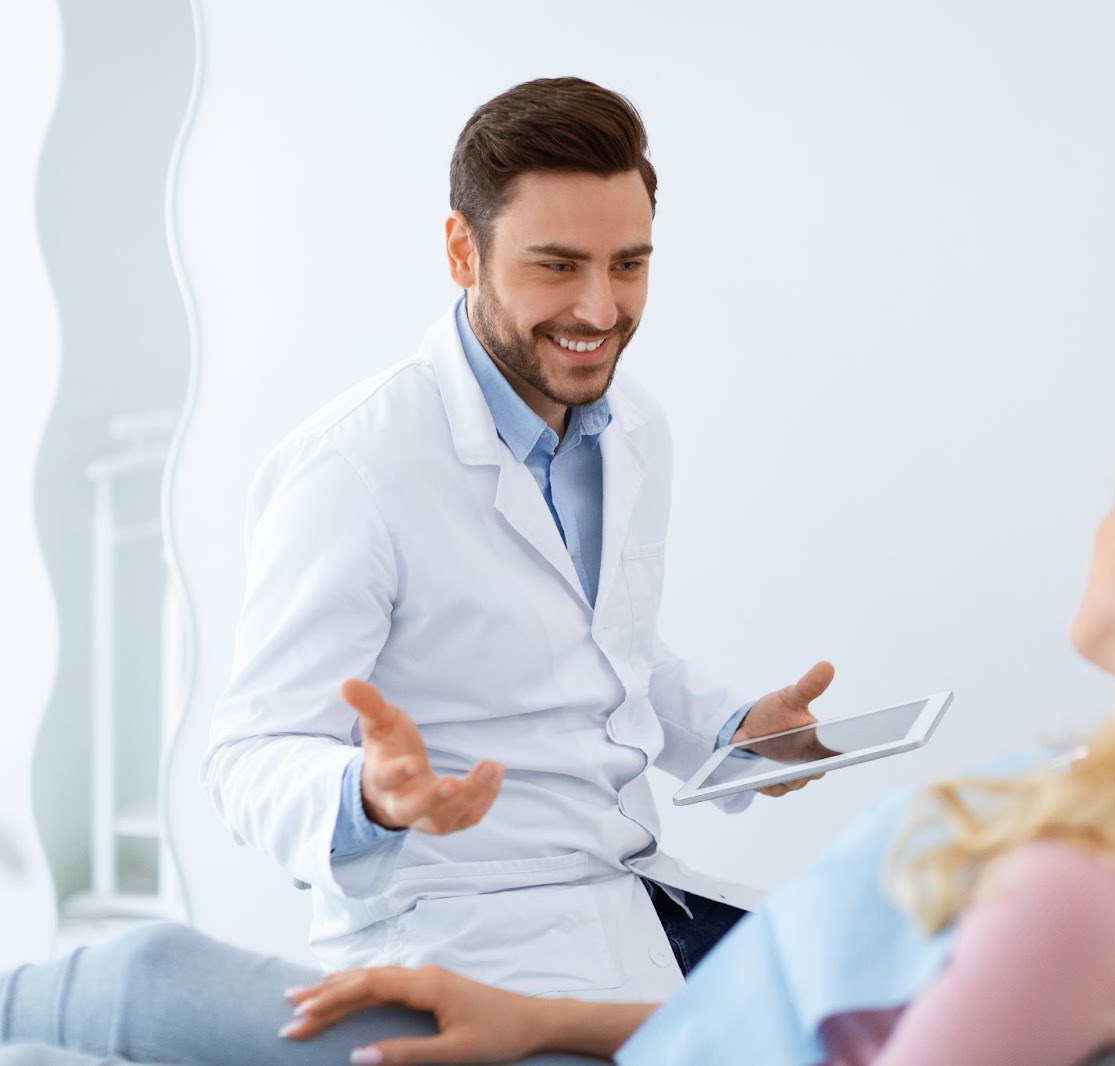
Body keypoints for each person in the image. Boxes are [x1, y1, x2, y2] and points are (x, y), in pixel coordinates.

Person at [0, 365, 1115, 1065]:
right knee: (158, 981)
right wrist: (539, 1014)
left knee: (147, 986)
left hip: (646, 1003)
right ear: (467, 252)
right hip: (635, 1008)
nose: (1113, 501)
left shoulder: (1088, 881)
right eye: (560, 267)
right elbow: (849, 1024)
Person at [199, 76, 832, 1003]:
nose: (599, 310)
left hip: (628, 897)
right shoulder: (354, 467)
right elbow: (250, 754)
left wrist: (739, 734)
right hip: (461, 937)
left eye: (628, 264)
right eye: (556, 265)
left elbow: (607, 652)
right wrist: (369, 796)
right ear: (463, 250)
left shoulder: (633, 430)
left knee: (907, 991)